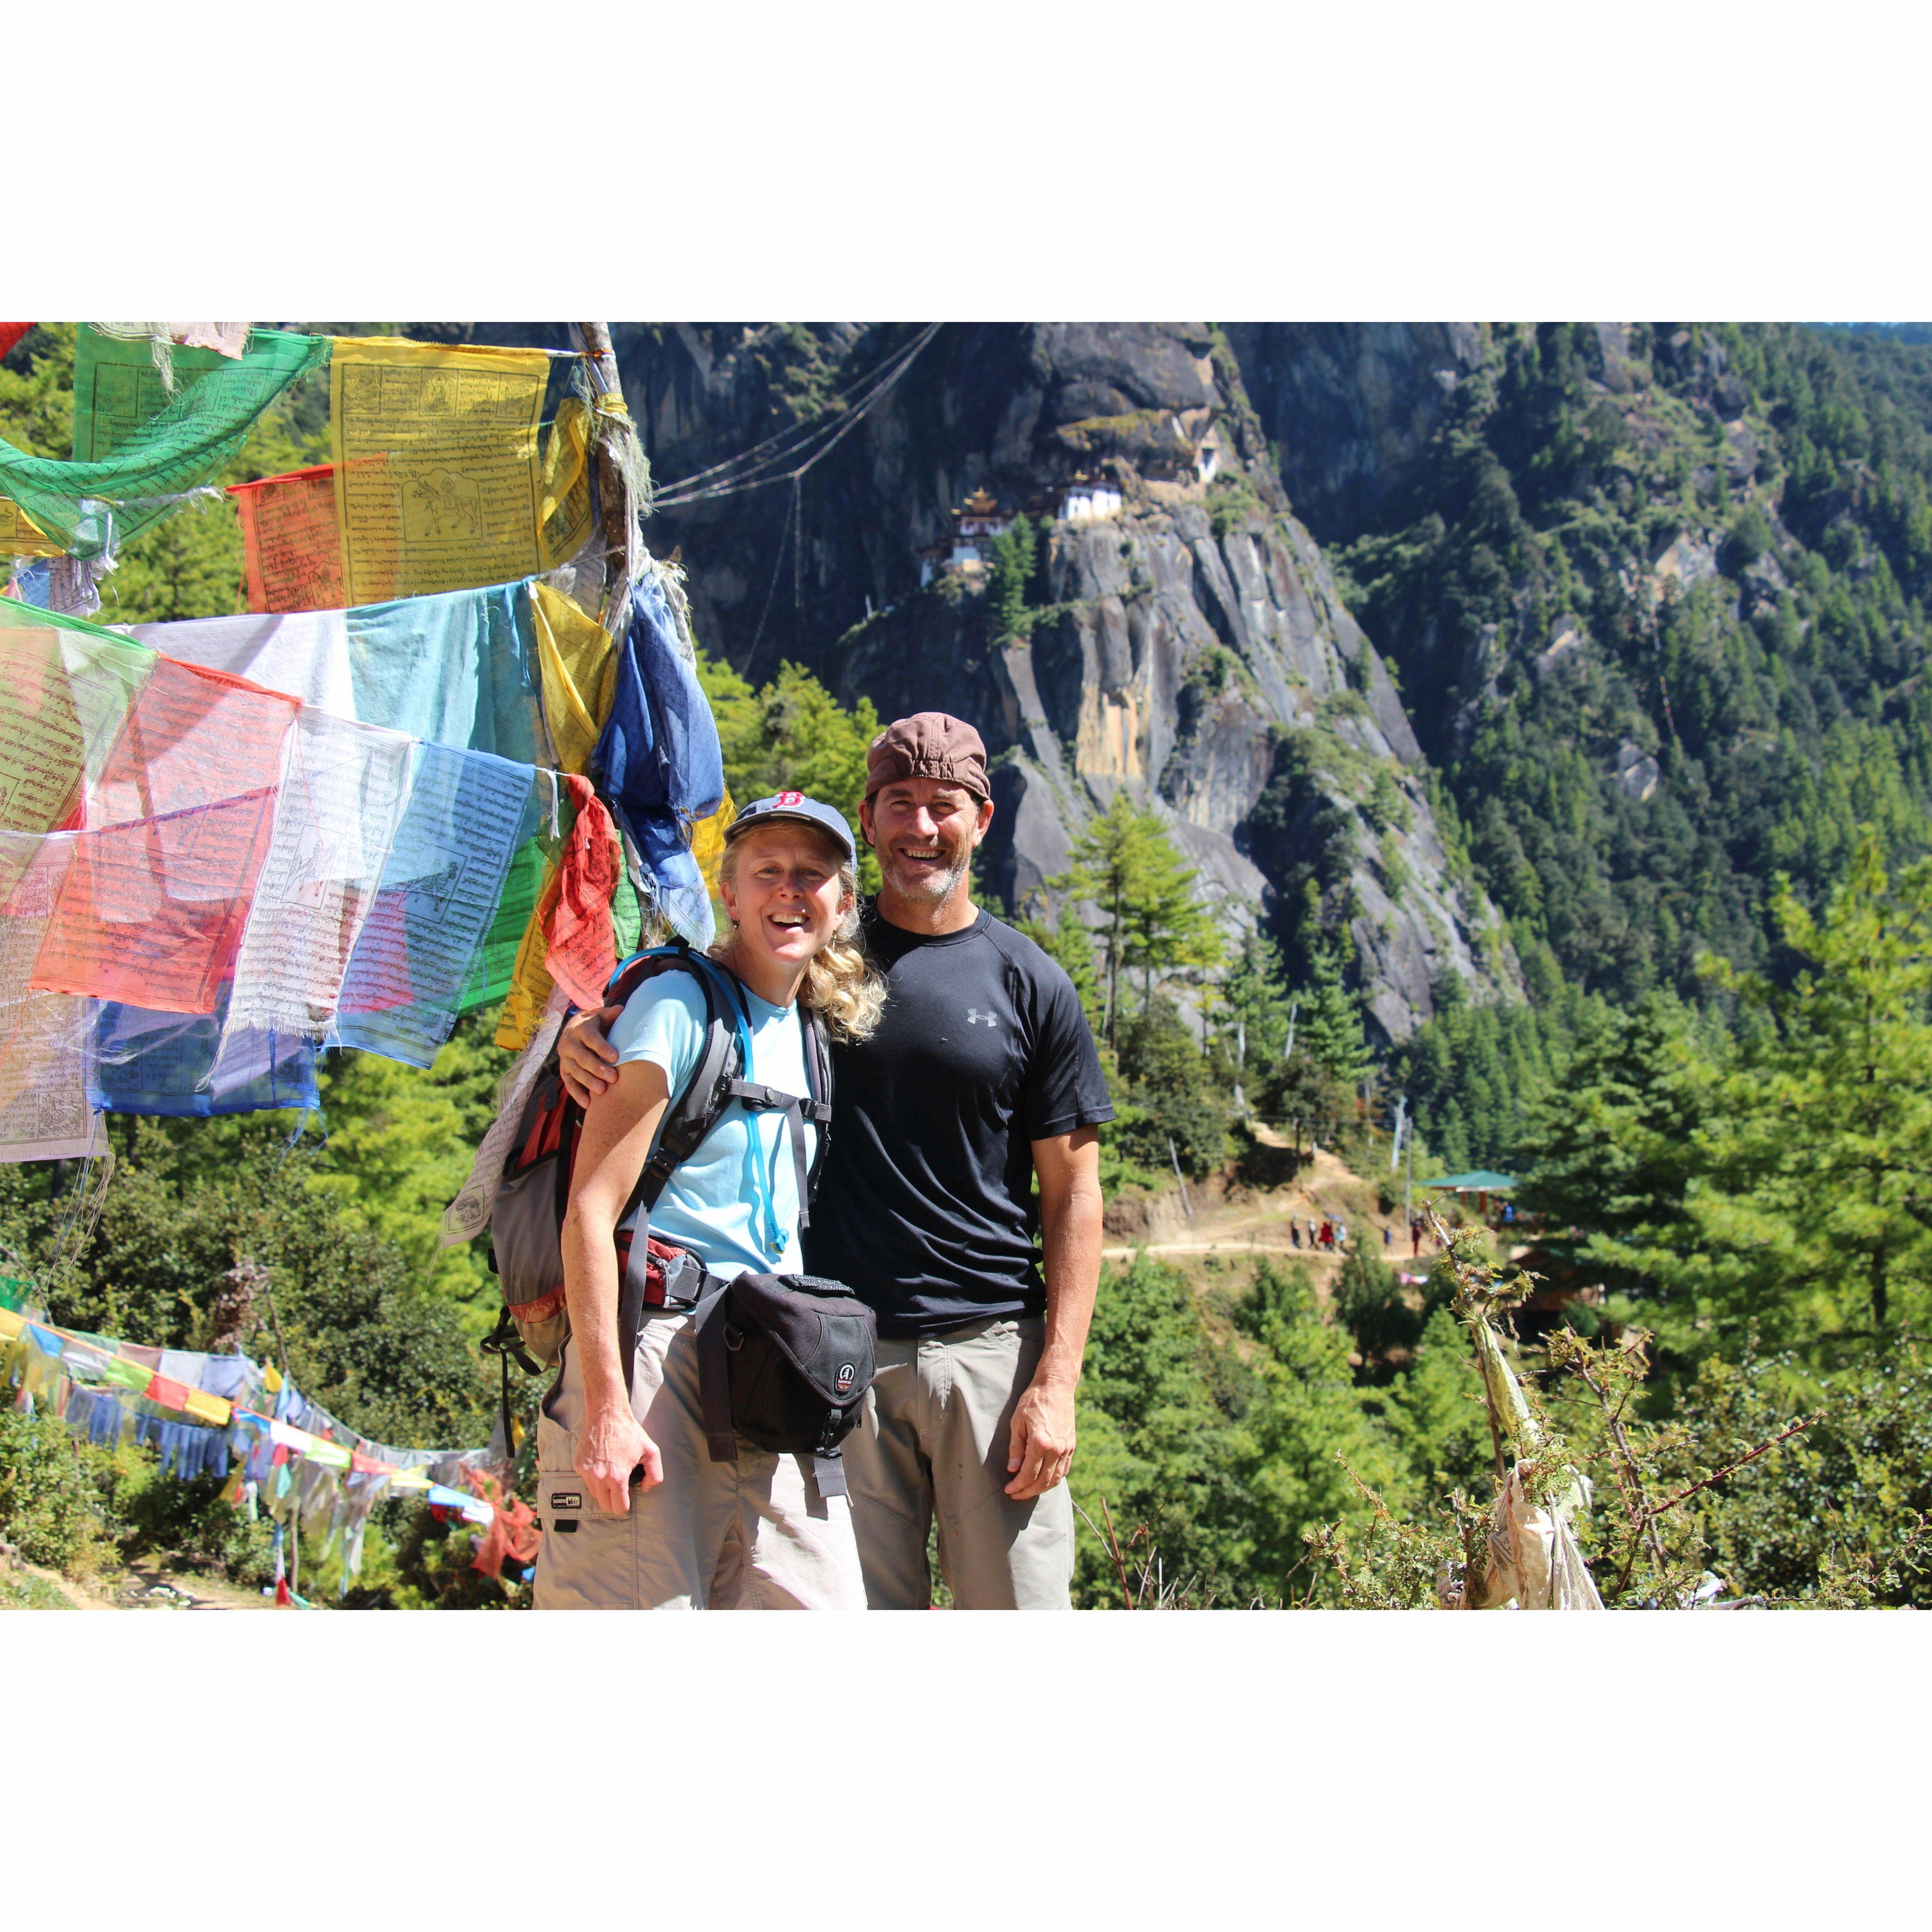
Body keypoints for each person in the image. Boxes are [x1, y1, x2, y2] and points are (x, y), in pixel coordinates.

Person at [561, 714, 1112, 1611]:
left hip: (991, 1357)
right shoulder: (819, 972)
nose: (922, 828)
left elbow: (1075, 1192)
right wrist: (593, 1028)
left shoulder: (1028, 982)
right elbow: (710, 988)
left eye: (945, 806)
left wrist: (1057, 1380)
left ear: (984, 818)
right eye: (901, 805)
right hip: (826, 1363)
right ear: (871, 817)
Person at [534, 792, 886, 1611]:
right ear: (729, 893)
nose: (789, 892)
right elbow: (591, 1210)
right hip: (653, 1358)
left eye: (812, 875)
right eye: (767, 872)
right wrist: (607, 1410)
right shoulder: (676, 1004)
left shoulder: (809, 1028)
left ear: (842, 906)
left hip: (768, 1366)